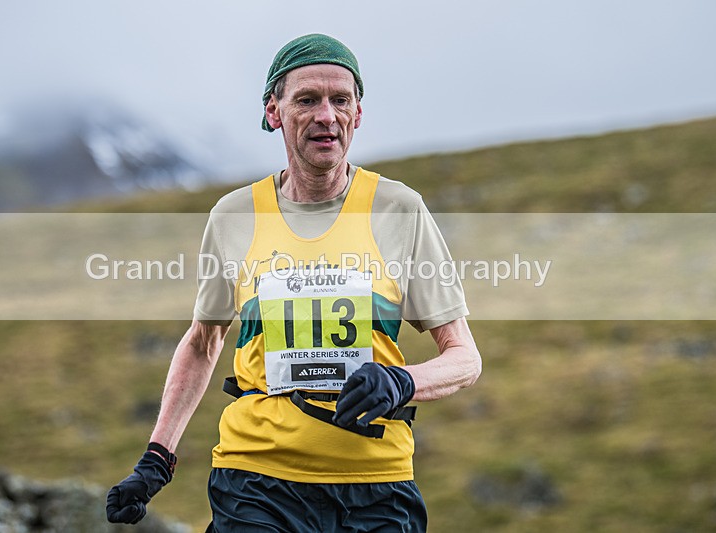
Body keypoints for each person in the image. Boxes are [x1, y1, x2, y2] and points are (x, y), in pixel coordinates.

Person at [106, 33, 482, 532]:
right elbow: (203, 342)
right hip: (256, 483)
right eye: (307, 100)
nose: (326, 115)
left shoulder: (399, 209)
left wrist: (401, 381)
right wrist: (157, 458)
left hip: (377, 484)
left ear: (358, 114)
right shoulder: (234, 216)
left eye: (340, 100)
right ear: (274, 112)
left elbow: (464, 358)